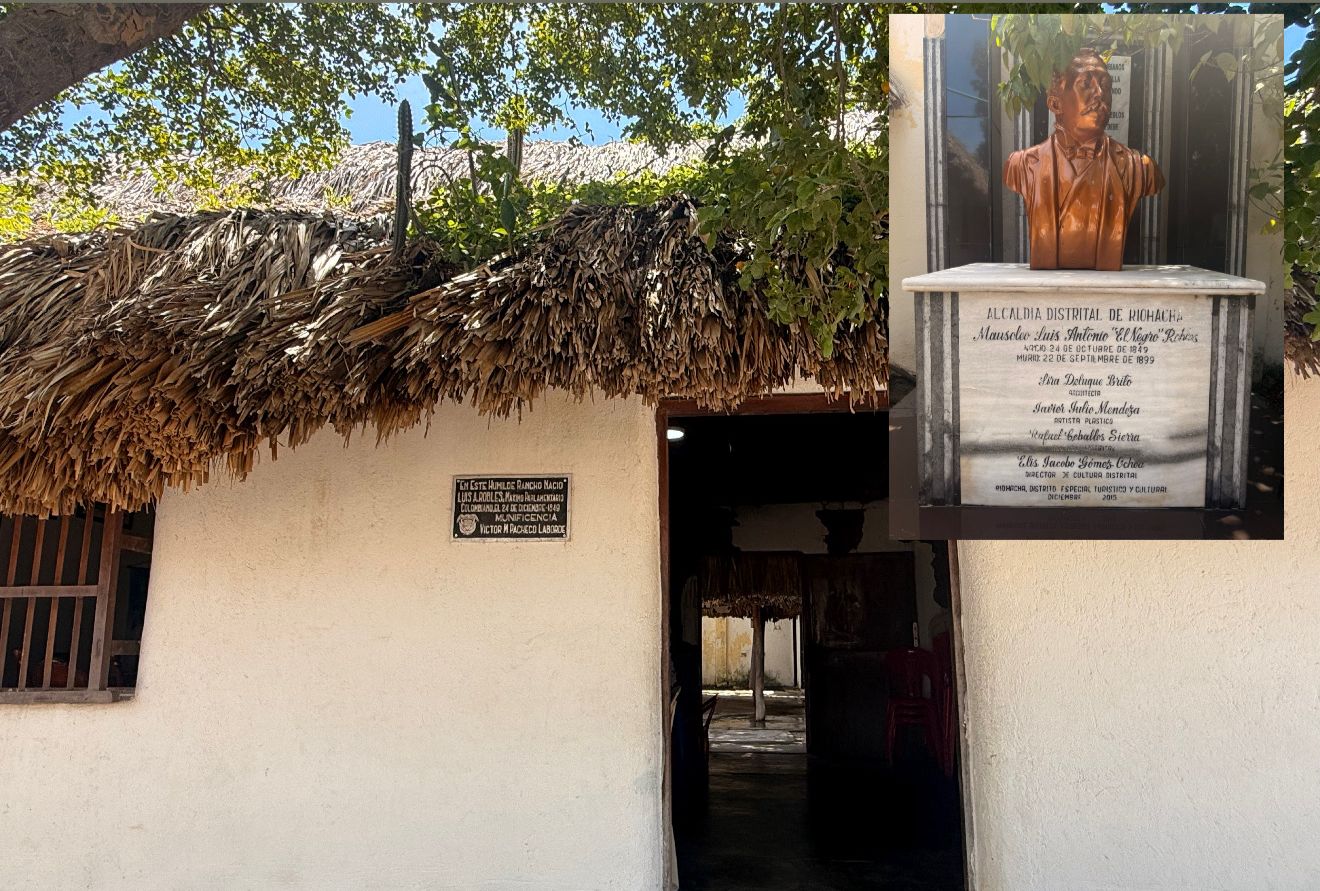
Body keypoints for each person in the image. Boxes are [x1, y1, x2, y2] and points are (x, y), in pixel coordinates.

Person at [1004, 48, 1164, 271]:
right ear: (1055, 104)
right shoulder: (1022, 165)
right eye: (1086, 84)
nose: (1100, 93)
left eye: (1105, 86)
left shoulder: (1138, 167)